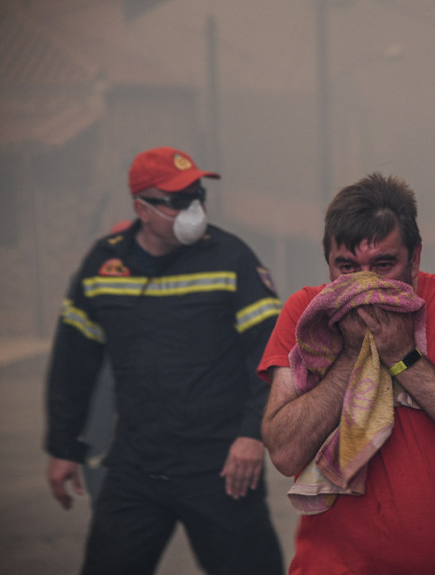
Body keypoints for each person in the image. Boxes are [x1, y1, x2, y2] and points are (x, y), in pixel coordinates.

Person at [259, 173, 435, 573]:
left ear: (414, 259)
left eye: (382, 265)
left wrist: (402, 355)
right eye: (347, 267)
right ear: (328, 264)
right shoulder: (306, 315)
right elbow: (284, 451)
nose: (364, 283)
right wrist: (349, 357)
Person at [45, 146, 284, 574]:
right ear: (142, 208)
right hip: (136, 467)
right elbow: (73, 361)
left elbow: (272, 353)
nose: (193, 208)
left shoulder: (232, 259)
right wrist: (64, 446)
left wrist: (253, 435)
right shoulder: (105, 265)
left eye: (197, 195)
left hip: (222, 467)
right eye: (178, 200)